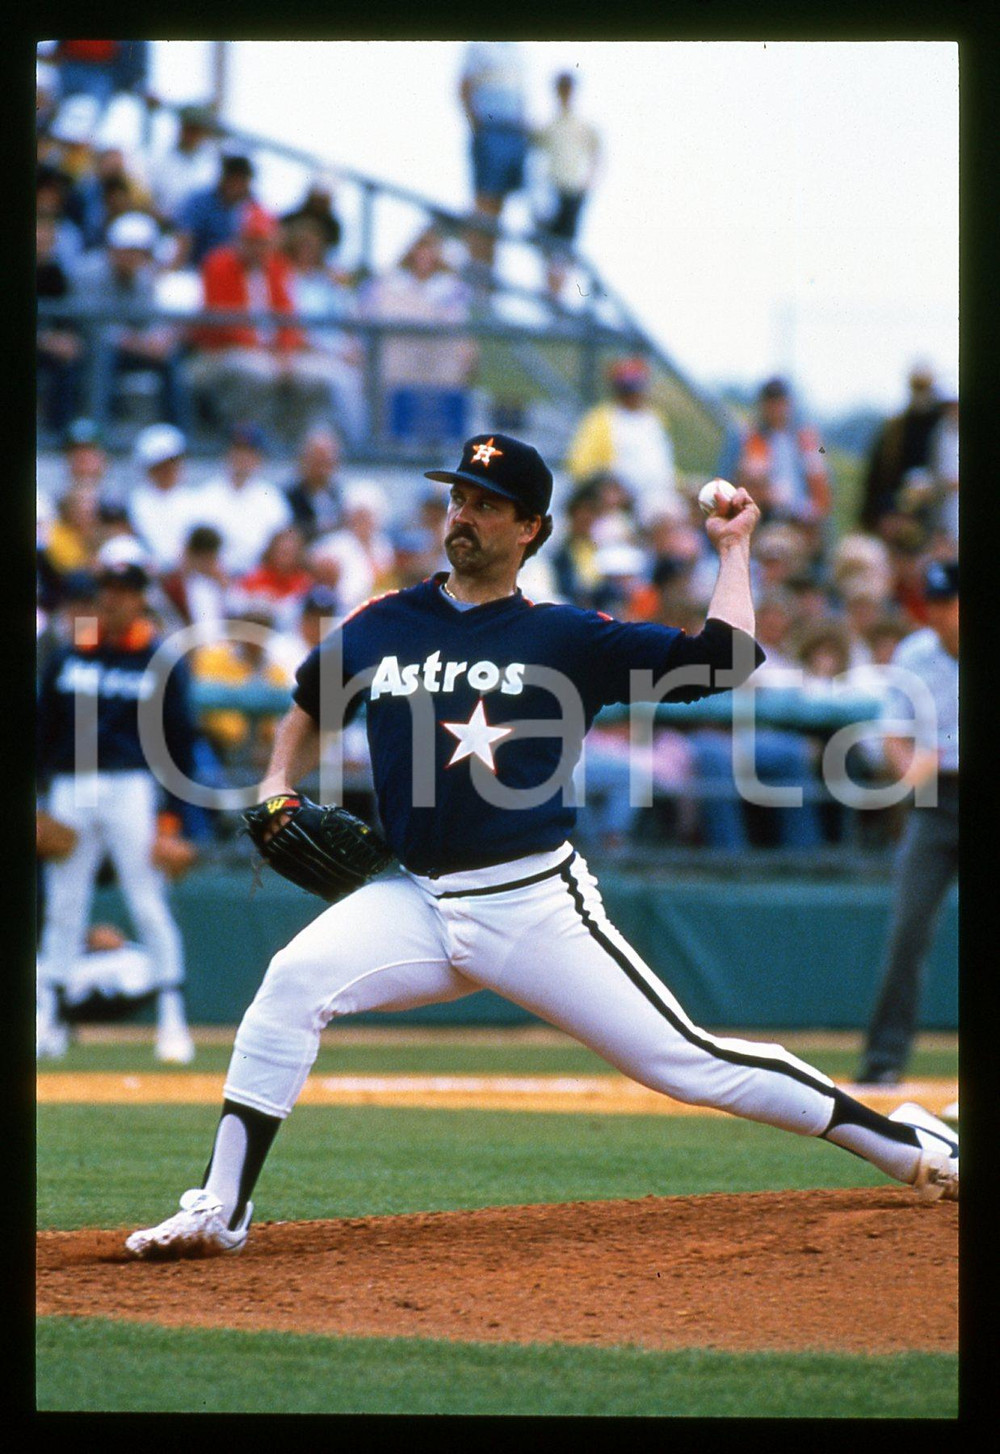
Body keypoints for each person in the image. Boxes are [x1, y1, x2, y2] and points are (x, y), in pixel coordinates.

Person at [123, 432, 957, 1259]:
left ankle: (906, 1145)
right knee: (290, 983)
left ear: (532, 529)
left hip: (530, 904)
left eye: (487, 505)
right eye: (458, 498)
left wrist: (733, 549)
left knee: (691, 1064)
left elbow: (725, 660)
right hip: (414, 897)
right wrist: (277, 780)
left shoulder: (566, 639)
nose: (464, 516)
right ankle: (218, 1210)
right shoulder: (383, 622)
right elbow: (310, 695)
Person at [36, 557, 198, 1064]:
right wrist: (39, 803)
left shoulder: (159, 660)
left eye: (126, 591)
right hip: (71, 784)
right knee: (64, 905)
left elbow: (179, 745)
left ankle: (173, 1019)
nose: (115, 599)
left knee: (147, 900)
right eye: (108, 589)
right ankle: (51, 1017)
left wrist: (172, 822)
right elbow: (42, 734)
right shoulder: (68, 656)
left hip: (133, 786)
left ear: (140, 598)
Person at [856, 560, 958, 1086]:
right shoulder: (918, 652)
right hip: (938, 805)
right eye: (934, 604)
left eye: (949, 603)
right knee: (907, 931)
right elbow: (895, 736)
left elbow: (929, 751)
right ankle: (883, 1061)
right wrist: (909, 770)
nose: (940, 615)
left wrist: (936, 757)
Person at [187, 205, 336, 445]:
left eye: (264, 241)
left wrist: (285, 353)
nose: (259, 248)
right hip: (218, 353)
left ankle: (292, 443)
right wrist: (269, 354)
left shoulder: (276, 267)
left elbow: (288, 318)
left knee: (320, 377)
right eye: (252, 240)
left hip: (269, 354)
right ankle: (247, 443)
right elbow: (225, 324)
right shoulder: (218, 263)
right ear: (240, 239)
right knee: (259, 373)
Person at [70, 210, 190, 430]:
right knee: (103, 354)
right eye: (128, 251)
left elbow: (151, 319)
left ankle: (179, 431)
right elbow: (91, 326)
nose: (133, 258)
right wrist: (134, 342)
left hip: (131, 347)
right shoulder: (88, 271)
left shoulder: (144, 277)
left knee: (169, 357)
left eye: (139, 252)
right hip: (89, 345)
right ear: (114, 249)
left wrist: (157, 339)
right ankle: (98, 428)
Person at [359, 225, 477, 449]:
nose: (425, 256)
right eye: (420, 248)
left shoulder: (452, 289)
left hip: (436, 363)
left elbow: (460, 329)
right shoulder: (386, 286)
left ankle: (440, 438)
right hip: (397, 362)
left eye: (430, 249)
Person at [565, 357, 682, 525]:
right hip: (620, 504)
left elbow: (664, 467)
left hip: (660, 496)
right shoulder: (602, 419)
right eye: (627, 389)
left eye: (635, 387)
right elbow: (580, 466)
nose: (632, 394)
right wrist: (609, 487)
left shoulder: (655, 419)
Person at [458, 41, 529, 276]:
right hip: (491, 129)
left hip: (513, 133)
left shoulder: (517, 52)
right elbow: (464, 86)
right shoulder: (479, 47)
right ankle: (477, 268)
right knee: (484, 204)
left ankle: (488, 273)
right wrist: (477, 125)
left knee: (498, 208)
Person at [531, 71, 602, 302]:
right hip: (552, 192)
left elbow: (597, 152)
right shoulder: (550, 125)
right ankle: (551, 295)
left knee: (565, 248)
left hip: (572, 192)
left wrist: (589, 181)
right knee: (548, 248)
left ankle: (557, 297)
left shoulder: (582, 126)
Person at [734, 377, 831, 543]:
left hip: (803, 514)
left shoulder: (807, 437)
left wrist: (818, 452)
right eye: (771, 403)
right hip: (767, 512)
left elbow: (823, 465)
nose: (776, 409)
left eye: (780, 403)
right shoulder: (750, 438)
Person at [858, 364, 947, 544]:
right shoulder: (895, 430)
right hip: (898, 514)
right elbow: (876, 481)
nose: (921, 392)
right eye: (917, 386)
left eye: (925, 386)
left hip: (938, 517)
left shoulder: (944, 427)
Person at [194, 424, 294, 577]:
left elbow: (283, 545)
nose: (243, 458)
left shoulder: (271, 497)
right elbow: (198, 548)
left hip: (261, 579)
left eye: (249, 452)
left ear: (259, 458)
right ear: (227, 454)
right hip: (214, 578)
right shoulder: (206, 495)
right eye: (238, 450)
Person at [126, 423, 205, 573]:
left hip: (188, 577)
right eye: (160, 465)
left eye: (172, 463)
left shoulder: (195, 500)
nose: (167, 470)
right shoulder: (135, 501)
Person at [172, 152, 257, 270]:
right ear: (227, 179)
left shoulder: (247, 210)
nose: (241, 188)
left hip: (224, 275)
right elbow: (184, 239)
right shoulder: (200, 201)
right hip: (193, 270)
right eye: (238, 182)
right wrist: (174, 270)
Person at [282, 426, 346, 543]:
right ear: (303, 460)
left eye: (327, 462)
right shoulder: (289, 497)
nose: (322, 469)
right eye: (317, 461)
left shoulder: (341, 496)